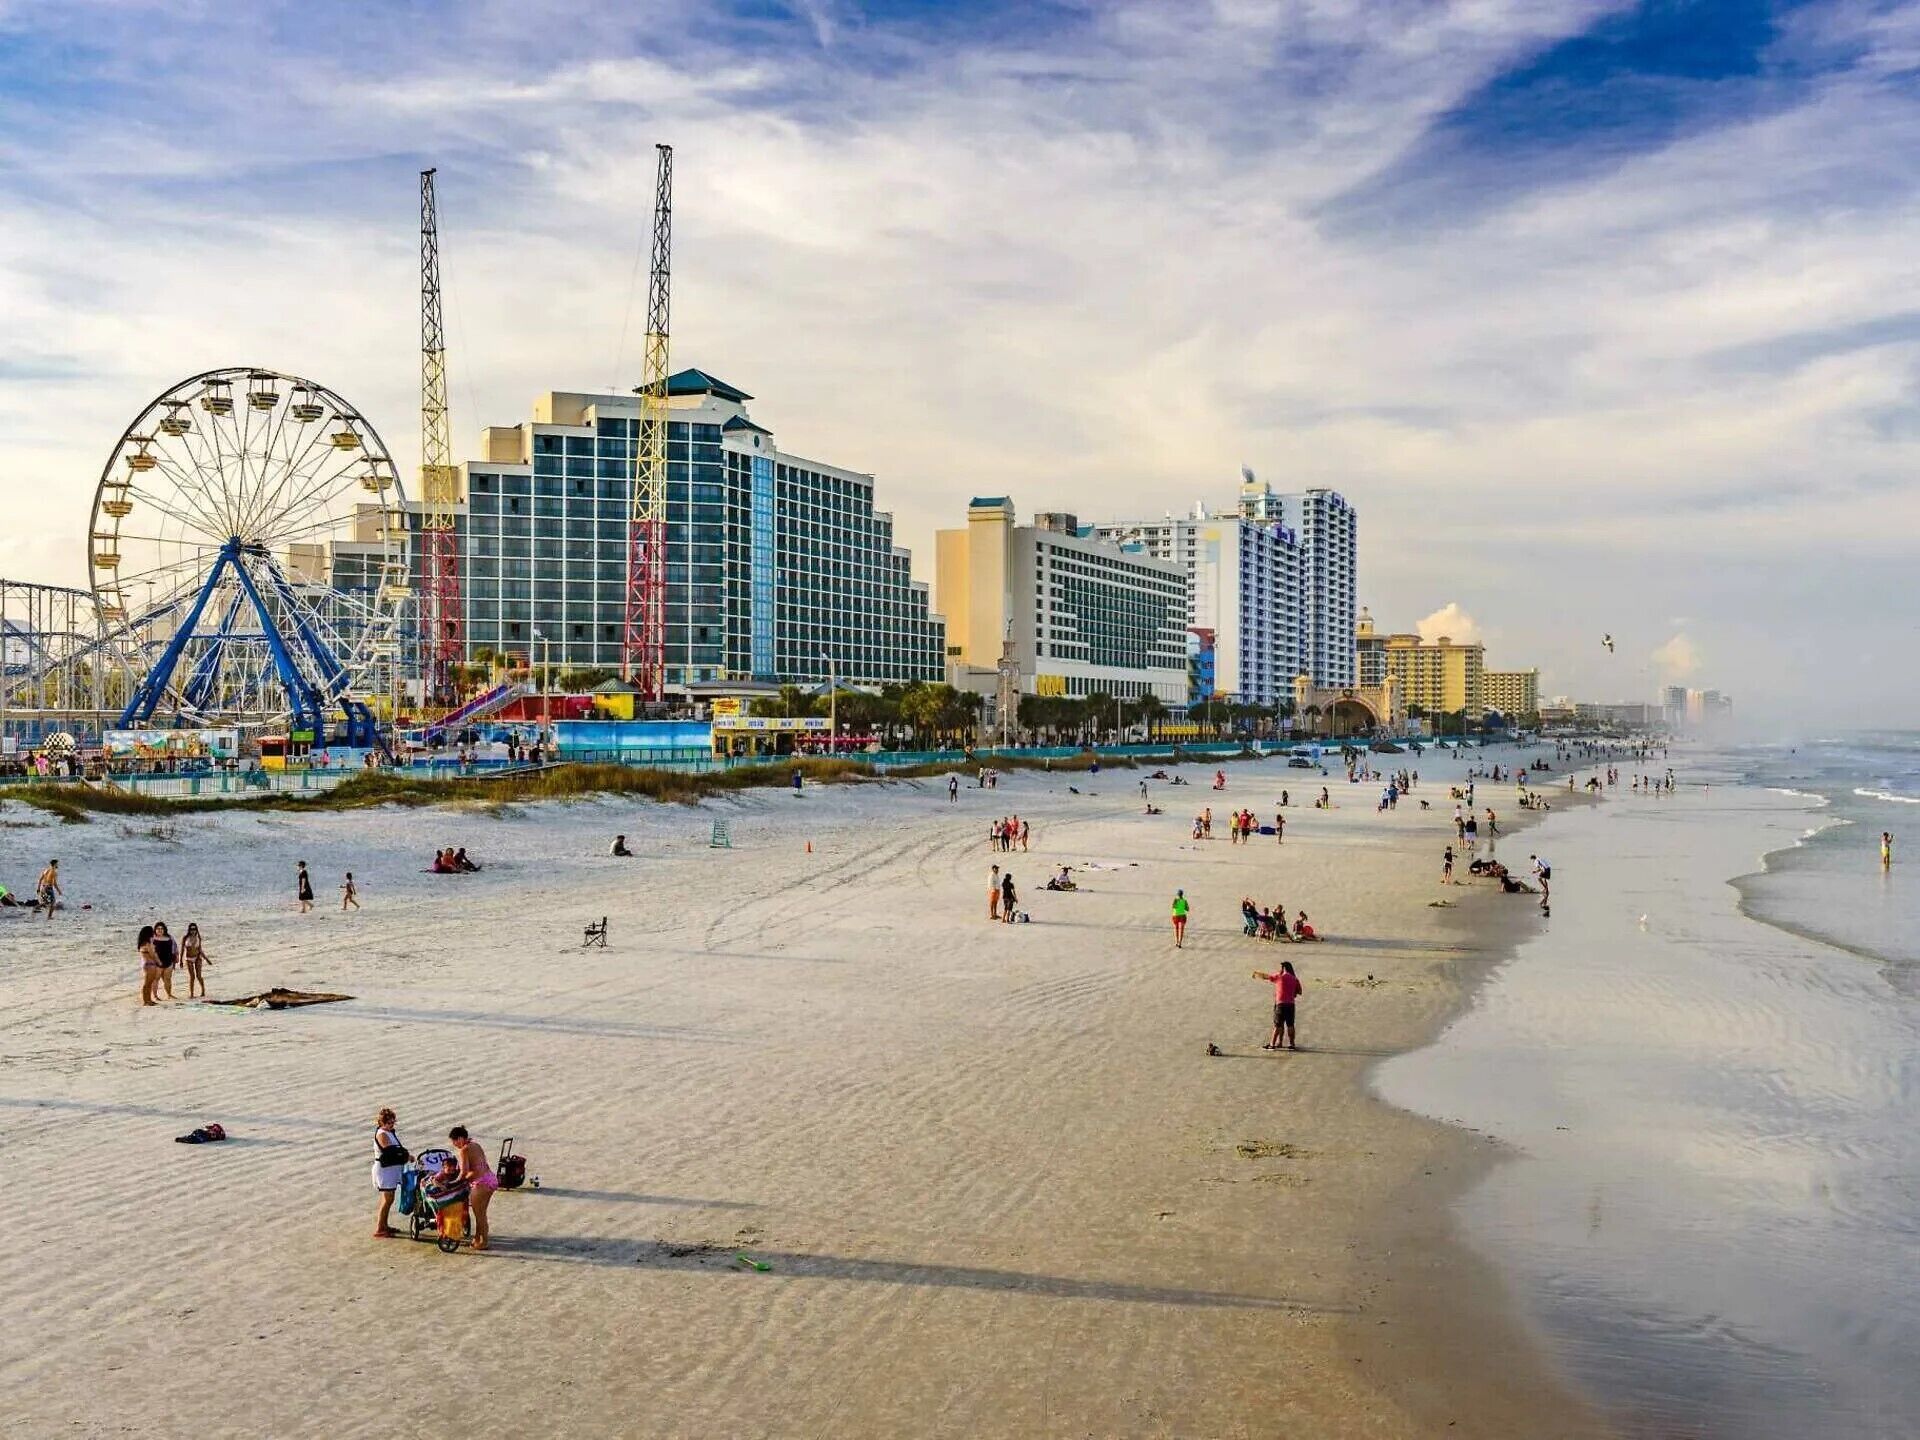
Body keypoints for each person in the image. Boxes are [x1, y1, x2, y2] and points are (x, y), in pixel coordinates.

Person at [448, 1126, 496, 1251]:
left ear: (459, 1139)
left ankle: (484, 1242)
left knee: (479, 1215)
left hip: (480, 1184)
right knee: (482, 1214)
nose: (454, 1145)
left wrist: (454, 1183)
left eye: (454, 1142)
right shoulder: (476, 1145)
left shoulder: (464, 1149)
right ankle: (477, 1238)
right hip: (490, 1178)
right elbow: (479, 1165)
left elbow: (464, 1172)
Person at [1251, 959, 1304, 1050]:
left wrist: (1256, 973)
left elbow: (1266, 977)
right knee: (1290, 1024)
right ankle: (1291, 1044)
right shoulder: (1295, 979)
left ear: (1283, 968)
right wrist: (1292, 993)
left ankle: (1272, 1044)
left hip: (1280, 1004)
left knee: (1278, 1025)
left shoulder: (1279, 976)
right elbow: (1300, 992)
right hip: (1291, 1004)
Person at [371, 1107, 407, 1238]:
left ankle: (385, 1225)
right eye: (389, 1123)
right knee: (387, 1199)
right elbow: (390, 1151)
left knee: (388, 1199)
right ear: (382, 1122)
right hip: (384, 1170)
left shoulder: (389, 1132)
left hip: (391, 1170)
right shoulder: (381, 1134)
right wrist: (406, 1156)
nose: (392, 1125)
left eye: (393, 1122)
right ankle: (380, 1228)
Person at [149, 921, 178, 1000]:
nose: (160, 930)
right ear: (155, 930)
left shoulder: (170, 937)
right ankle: (155, 996)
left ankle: (169, 994)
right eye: (158, 929)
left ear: (164, 929)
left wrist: (176, 957)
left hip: (169, 962)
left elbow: (175, 948)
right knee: (156, 979)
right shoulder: (152, 939)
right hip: (157, 963)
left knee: (167, 979)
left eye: (162, 928)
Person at [181, 922, 209, 998]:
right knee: (192, 977)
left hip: (197, 957)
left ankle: (203, 991)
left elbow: (200, 950)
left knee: (199, 976)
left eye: (194, 929)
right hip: (188, 958)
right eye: (191, 929)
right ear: (189, 930)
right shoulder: (185, 938)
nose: (193, 931)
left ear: (196, 930)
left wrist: (206, 959)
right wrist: (180, 960)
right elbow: (182, 949)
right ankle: (192, 994)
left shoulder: (198, 938)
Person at [137, 924, 161, 1006]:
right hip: (149, 964)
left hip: (147, 964)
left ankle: (148, 999)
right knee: (148, 983)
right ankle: (146, 1000)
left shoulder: (143, 943)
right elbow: (153, 954)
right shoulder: (147, 943)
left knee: (149, 983)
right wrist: (159, 962)